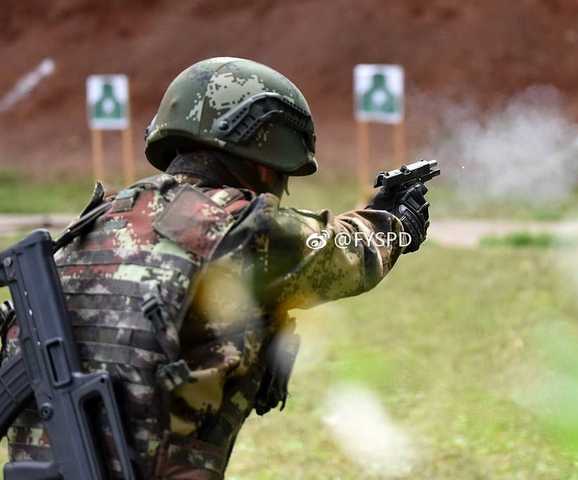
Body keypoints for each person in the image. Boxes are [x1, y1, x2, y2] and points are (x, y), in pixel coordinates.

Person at [2, 57, 430, 479]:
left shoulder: (96, 222)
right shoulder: (241, 229)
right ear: (264, 159)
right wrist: (397, 222)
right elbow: (351, 253)